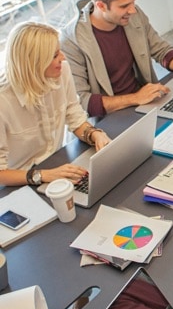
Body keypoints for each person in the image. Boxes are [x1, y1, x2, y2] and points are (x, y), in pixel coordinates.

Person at [60, 0, 173, 117]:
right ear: (101, 6)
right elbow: (81, 102)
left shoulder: (133, 15)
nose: (133, 10)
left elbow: (161, 50)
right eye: (124, 6)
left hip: (145, 103)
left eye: (133, 2)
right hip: (110, 117)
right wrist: (135, 98)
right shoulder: (71, 41)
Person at [0, 22, 110, 187]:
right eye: (54, 55)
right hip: (20, 182)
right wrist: (44, 175)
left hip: (57, 164)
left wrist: (95, 135)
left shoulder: (62, 71)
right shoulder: (3, 101)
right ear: (33, 64)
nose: (63, 58)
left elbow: (73, 114)